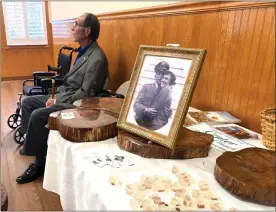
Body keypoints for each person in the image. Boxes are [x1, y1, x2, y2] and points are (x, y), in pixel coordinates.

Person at [16, 13, 109, 184]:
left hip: (78, 105)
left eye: (75, 24)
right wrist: (56, 96)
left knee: (38, 114)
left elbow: (86, 94)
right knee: (28, 102)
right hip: (64, 96)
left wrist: (57, 100)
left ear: (87, 31)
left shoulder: (97, 59)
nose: (72, 28)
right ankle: (34, 142)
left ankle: (39, 164)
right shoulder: (83, 51)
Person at [133, 61, 174, 130]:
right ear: (155, 75)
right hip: (141, 120)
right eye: (159, 73)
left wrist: (168, 114)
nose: (161, 77)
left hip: (156, 124)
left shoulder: (167, 91)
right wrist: (145, 110)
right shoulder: (146, 87)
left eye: (163, 74)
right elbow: (136, 105)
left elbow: (165, 112)